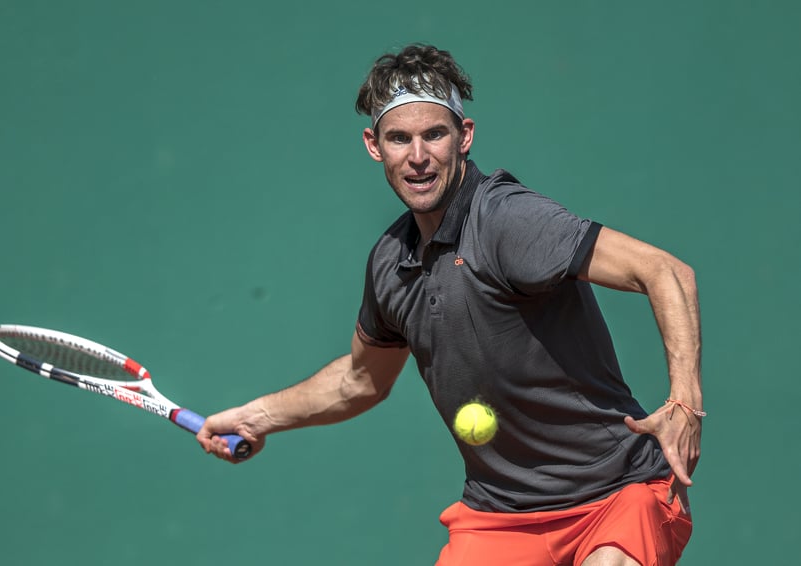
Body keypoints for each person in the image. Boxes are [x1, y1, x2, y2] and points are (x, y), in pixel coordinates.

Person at [197, 44, 703, 566]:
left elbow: (665, 271)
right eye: (399, 138)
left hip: (618, 495)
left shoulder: (510, 221)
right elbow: (360, 381)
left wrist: (684, 402)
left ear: (464, 137)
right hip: (500, 516)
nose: (418, 157)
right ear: (375, 146)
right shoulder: (391, 264)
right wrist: (256, 416)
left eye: (434, 135)